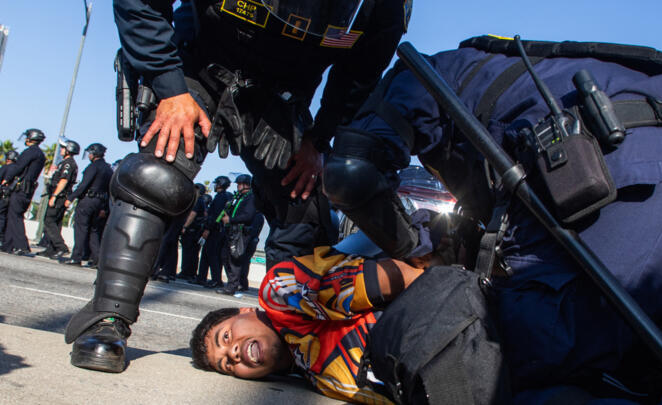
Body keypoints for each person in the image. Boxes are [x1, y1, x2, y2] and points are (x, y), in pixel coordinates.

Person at [320, 36, 662, 402]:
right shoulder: (513, 71)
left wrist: (416, 252)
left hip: (619, 175)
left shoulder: (418, 75)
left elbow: (351, 173)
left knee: (488, 363)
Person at [64, 0, 410, 374]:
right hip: (195, 67)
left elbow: (363, 67)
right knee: (156, 176)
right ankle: (107, 320)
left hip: (281, 93)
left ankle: (290, 338)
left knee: (304, 205)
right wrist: (167, 84)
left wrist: (319, 138)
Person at [191, 231, 427, 404]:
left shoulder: (280, 293)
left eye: (226, 337)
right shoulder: (320, 380)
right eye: (228, 366)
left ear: (246, 311)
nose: (232, 354)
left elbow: (402, 277)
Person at [62, 143, 113, 267]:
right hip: (100, 202)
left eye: (90, 152)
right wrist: (105, 208)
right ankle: (97, 259)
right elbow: (110, 190)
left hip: (88, 201)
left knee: (81, 229)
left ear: (94, 154)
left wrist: (71, 198)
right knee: (94, 231)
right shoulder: (108, 169)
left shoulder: (93, 167)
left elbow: (84, 185)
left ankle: (76, 257)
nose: (89, 155)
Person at [1, 129, 46, 255]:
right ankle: (8, 245)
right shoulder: (40, 154)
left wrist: (7, 179)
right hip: (27, 189)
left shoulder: (30, 152)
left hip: (21, 188)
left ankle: (22, 246)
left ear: (32, 138)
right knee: (12, 215)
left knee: (15, 216)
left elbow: (18, 167)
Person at [216, 174, 260, 295]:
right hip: (232, 231)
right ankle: (233, 283)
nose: (238, 186)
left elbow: (248, 216)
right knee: (225, 256)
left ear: (246, 185)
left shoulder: (251, 198)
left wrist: (230, 219)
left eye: (240, 184)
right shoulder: (240, 197)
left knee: (235, 259)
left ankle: (233, 286)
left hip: (241, 233)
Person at [38, 139, 80, 259]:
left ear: (69, 150)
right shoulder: (66, 162)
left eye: (63, 148)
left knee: (49, 221)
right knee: (56, 222)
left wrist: (54, 196)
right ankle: (51, 249)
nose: (61, 150)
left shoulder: (68, 163)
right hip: (61, 196)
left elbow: (63, 180)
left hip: (60, 197)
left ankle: (61, 247)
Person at [192, 175, 233, 288]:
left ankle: (216, 280)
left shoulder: (220, 198)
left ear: (220, 184)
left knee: (213, 255)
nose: (214, 186)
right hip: (216, 229)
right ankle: (201, 277)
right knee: (206, 254)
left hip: (215, 230)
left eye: (216, 184)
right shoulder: (225, 196)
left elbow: (214, 216)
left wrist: (207, 229)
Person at [177, 183, 209, 281]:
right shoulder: (202, 202)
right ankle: (190, 272)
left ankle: (186, 272)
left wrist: (185, 226)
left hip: (192, 230)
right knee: (193, 253)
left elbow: (192, 214)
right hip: (197, 231)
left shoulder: (197, 201)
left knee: (188, 252)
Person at [0, 150, 19, 250]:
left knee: (1, 217)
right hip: (12, 197)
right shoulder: (18, 169)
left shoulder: (5, 167)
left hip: (3, 195)